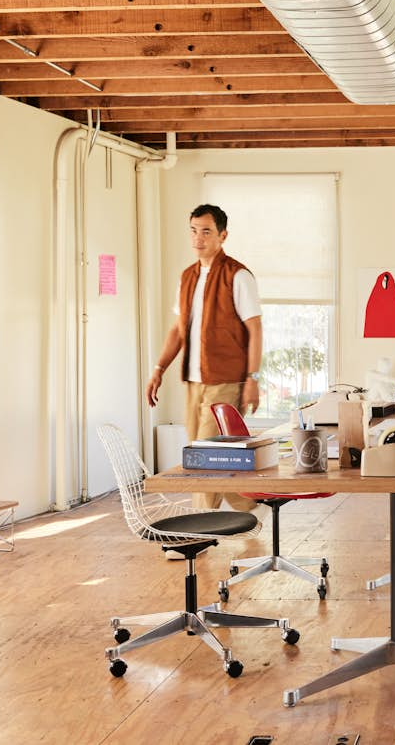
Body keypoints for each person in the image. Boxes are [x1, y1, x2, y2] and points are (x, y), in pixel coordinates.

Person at [146, 204, 267, 551]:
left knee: (203, 462)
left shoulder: (238, 276)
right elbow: (177, 330)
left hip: (226, 379)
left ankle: (194, 537)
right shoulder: (187, 277)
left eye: (206, 232)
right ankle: (248, 504)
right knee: (208, 457)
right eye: (193, 230)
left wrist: (253, 378)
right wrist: (159, 369)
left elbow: (255, 330)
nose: (198, 238)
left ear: (223, 235)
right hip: (193, 381)